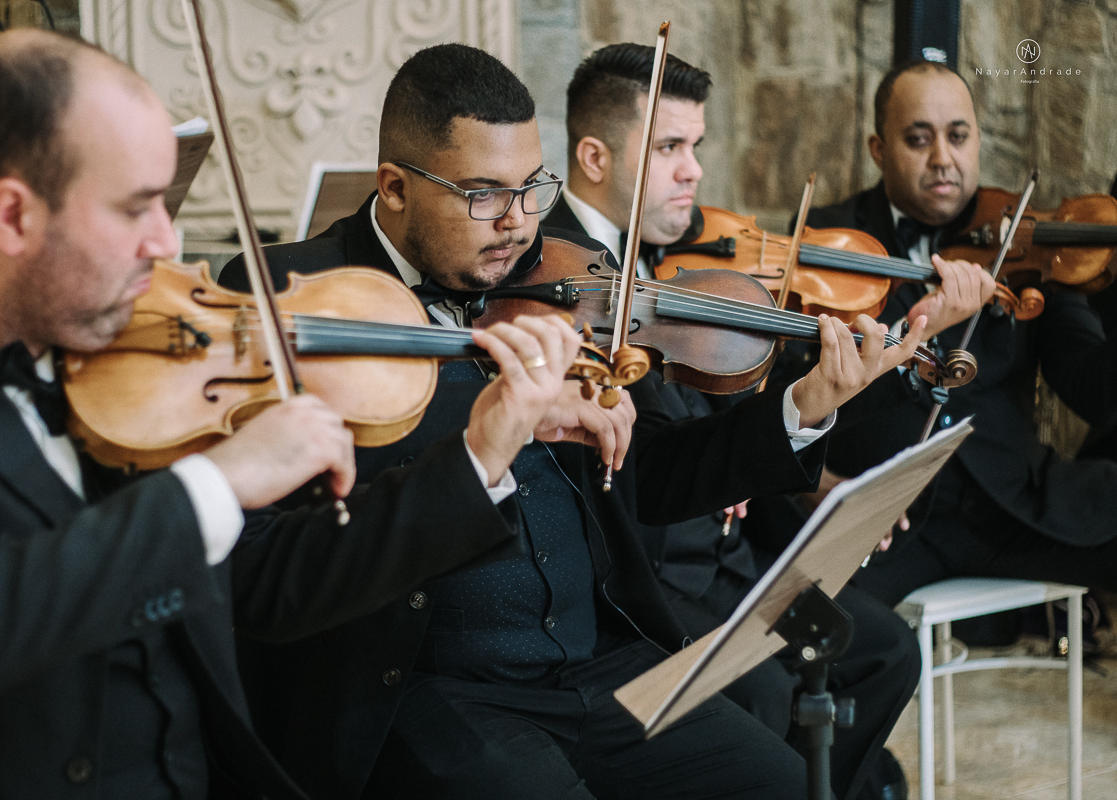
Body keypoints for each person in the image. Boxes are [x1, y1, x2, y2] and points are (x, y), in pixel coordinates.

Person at [220, 43, 926, 800]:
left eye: (532, 188)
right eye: (484, 195)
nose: (519, 224)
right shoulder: (291, 293)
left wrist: (805, 406)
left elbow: (653, 475)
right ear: (394, 186)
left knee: (784, 788)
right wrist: (503, 418)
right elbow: (282, 549)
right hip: (428, 687)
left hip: (598, 663)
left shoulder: (563, 272)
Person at [0, 29, 596, 799]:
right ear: (12, 217)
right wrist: (214, 483)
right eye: (138, 208)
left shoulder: (120, 361)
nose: (167, 244)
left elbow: (273, 586)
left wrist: (480, 453)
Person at [546, 42, 928, 800]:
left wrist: (844, 389)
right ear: (593, 155)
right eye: (669, 147)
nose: (693, 169)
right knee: (763, 696)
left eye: (696, 146)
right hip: (644, 573)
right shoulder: (551, 280)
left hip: (724, 556)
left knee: (884, 647)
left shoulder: (661, 261)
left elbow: (735, 399)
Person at [804, 59, 1117, 607]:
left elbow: (1092, 389)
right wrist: (917, 326)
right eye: (918, 139)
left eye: (958, 136)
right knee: (814, 628)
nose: (943, 159)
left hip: (1017, 505)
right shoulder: (831, 243)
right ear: (880, 150)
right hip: (888, 525)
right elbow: (806, 390)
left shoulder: (1028, 243)